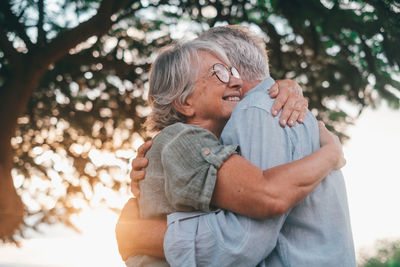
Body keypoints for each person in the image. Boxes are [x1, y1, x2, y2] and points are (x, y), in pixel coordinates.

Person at [117, 26, 355, 267]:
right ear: (184, 101)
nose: (233, 80)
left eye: (230, 70)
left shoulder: (258, 112)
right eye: (219, 72)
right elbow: (263, 201)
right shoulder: (184, 139)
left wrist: (141, 235)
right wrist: (330, 154)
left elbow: (248, 228)